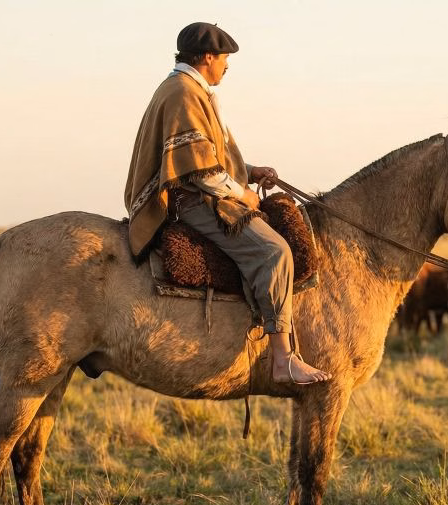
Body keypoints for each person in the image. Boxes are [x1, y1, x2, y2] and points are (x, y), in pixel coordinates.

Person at [124, 22, 331, 385]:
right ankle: (282, 357)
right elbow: (201, 173)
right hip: (195, 204)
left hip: (204, 194)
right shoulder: (183, 93)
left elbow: (207, 155)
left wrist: (249, 171)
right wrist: (242, 193)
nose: (226, 66)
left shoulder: (190, 90)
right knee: (275, 251)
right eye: (223, 58)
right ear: (206, 57)